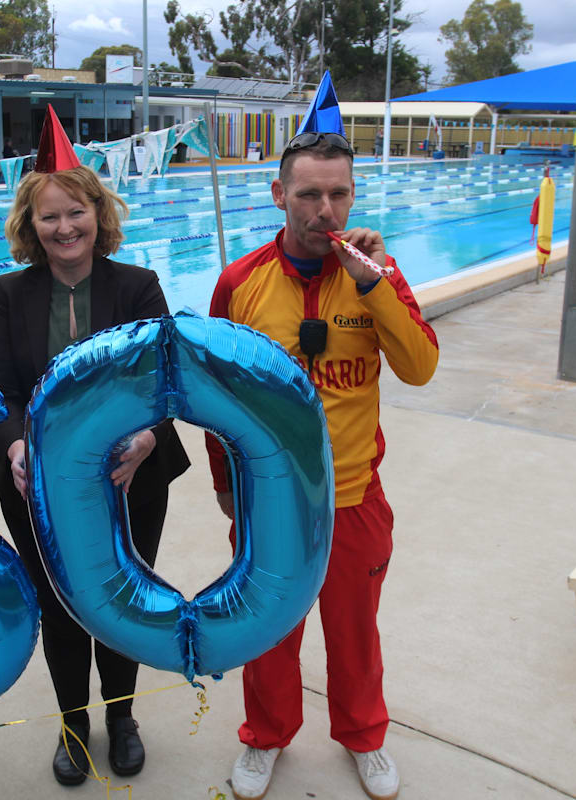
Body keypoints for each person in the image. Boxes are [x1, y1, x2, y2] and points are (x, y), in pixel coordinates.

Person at [206, 73, 439, 800]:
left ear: (353, 196)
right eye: (309, 194)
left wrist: (373, 282)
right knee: (269, 629)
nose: (324, 209)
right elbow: (215, 399)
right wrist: (224, 485)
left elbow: (421, 367)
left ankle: (363, 737)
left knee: (354, 630)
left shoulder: (376, 275)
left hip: (353, 494)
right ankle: (265, 738)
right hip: (271, 498)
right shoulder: (240, 283)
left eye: (338, 194)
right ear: (279, 196)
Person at [0, 105, 190, 786]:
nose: (65, 227)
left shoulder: (137, 286)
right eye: (50, 216)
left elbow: (165, 380)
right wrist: (12, 446)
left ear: (98, 215)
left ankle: (121, 716)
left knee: (123, 598)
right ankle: (74, 722)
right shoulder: (9, 293)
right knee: (60, 602)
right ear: (30, 226)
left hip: (130, 477)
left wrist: (149, 437)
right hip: (36, 483)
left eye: (77, 212)